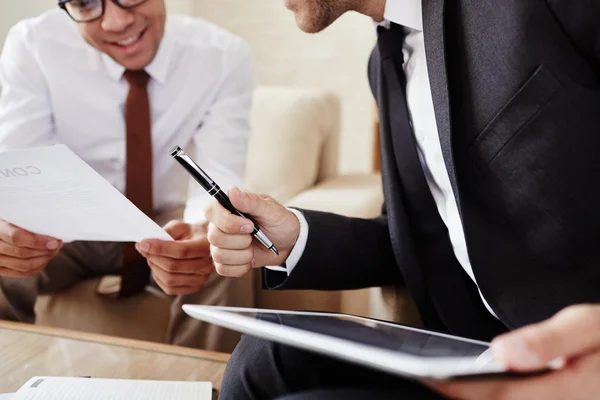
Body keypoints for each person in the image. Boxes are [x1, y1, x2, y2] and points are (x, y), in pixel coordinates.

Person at [203, 0, 600, 398]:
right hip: (475, 359)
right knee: (265, 353)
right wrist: (296, 238)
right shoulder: (384, 65)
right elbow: (418, 241)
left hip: (573, 367)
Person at [0, 0, 255, 353]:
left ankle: (212, 388)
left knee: (226, 251)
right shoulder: (32, 46)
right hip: (67, 226)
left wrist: (201, 230)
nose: (116, 22)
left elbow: (217, 177)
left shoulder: (223, 56)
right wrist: (10, 228)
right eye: (86, 3)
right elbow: (23, 174)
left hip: (164, 222)